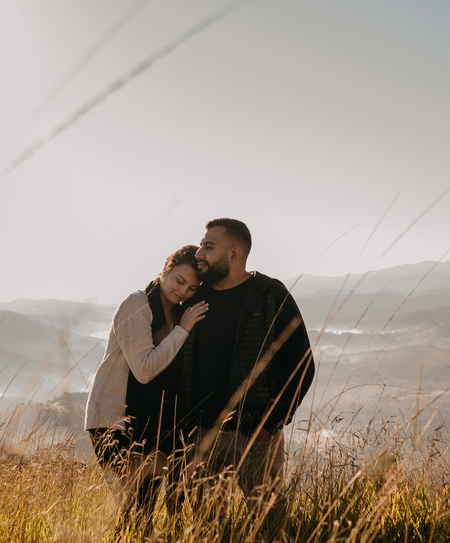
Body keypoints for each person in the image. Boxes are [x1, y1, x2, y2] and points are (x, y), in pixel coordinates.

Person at [175, 218, 315, 500]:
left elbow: (302, 364)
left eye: (208, 247)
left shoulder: (270, 295)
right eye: (201, 245)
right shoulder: (193, 296)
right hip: (202, 438)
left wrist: (271, 425)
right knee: (205, 532)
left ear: (234, 254)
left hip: (257, 439)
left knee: (268, 526)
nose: (199, 253)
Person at [84, 245, 209, 515]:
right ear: (166, 269)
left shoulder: (176, 311)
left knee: (144, 511)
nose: (183, 291)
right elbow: (143, 369)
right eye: (179, 281)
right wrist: (182, 330)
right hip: (113, 420)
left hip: (151, 425)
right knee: (134, 509)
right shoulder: (136, 306)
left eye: (192, 288)